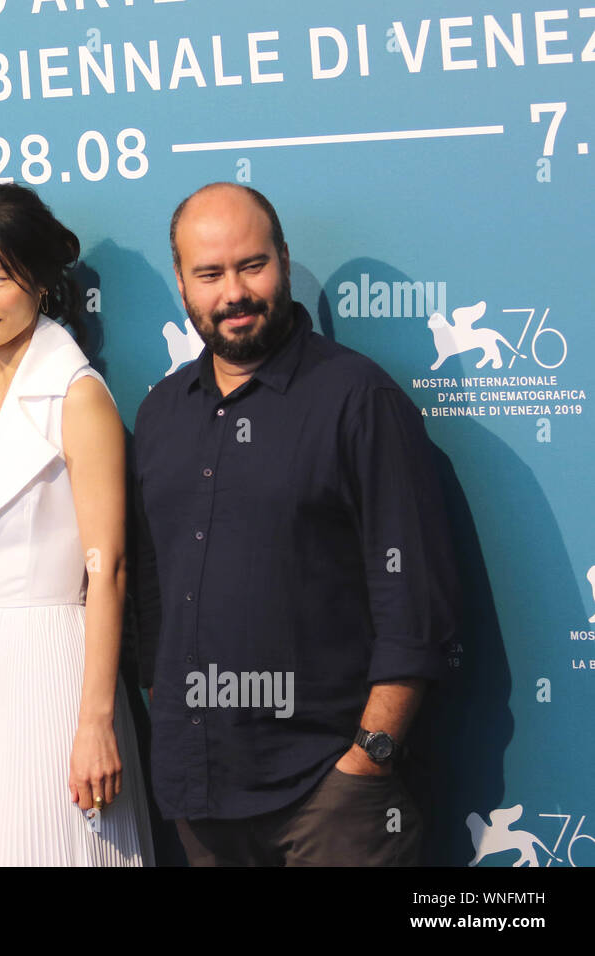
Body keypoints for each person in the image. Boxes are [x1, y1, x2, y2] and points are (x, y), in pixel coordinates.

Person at [134, 182, 457, 866]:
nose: (234, 293)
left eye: (252, 265)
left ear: (284, 258)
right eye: (210, 274)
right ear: (182, 282)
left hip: (328, 803)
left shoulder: (358, 398)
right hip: (197, 801)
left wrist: (369, 759)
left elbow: (415, 602)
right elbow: (153, 589)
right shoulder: (162, 413)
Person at [0, 181, 153, 865]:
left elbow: (106, 568)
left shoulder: (77, 394)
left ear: (41, 280)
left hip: (56, 663)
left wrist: (95, 722)